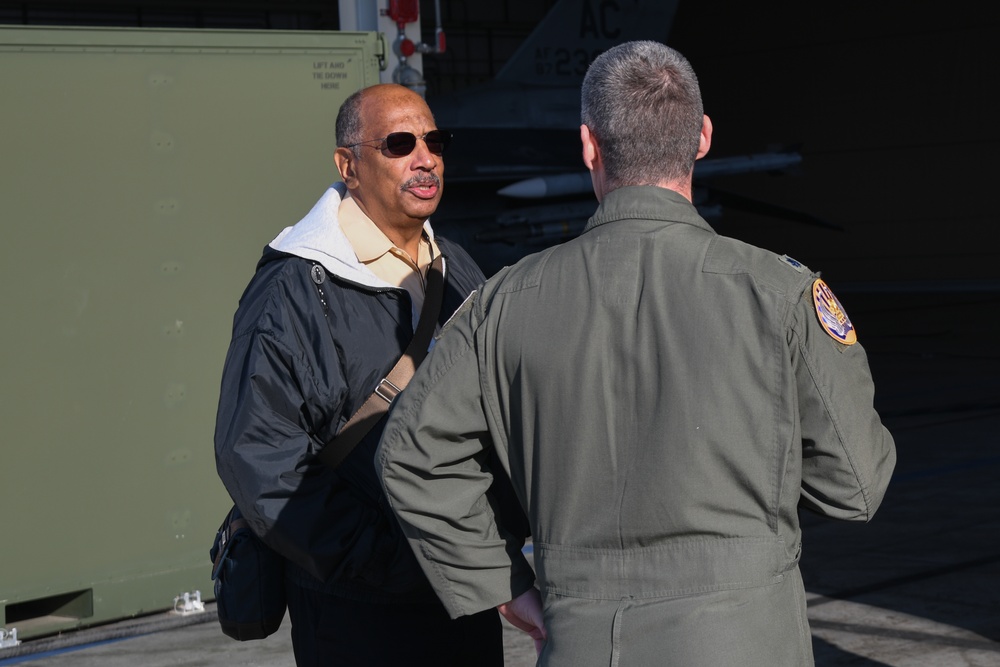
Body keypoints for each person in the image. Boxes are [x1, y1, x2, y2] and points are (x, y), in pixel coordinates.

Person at [376, 41, 897, 666]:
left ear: (589, 145)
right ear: (701, 138)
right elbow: (857, 485)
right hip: (748, 639)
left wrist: (501, 582)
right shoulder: (782, 294)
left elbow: (410, 454)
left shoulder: (504, 302)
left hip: (585, 641)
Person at [214, 83, 515, 667]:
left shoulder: (456, 267)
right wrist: (386, 561)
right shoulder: (293, 289)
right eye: (400, 143)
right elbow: (256, 456)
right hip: (358, 612)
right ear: (348, 166)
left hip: (462, 591)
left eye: (435, 140)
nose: (424, 157)